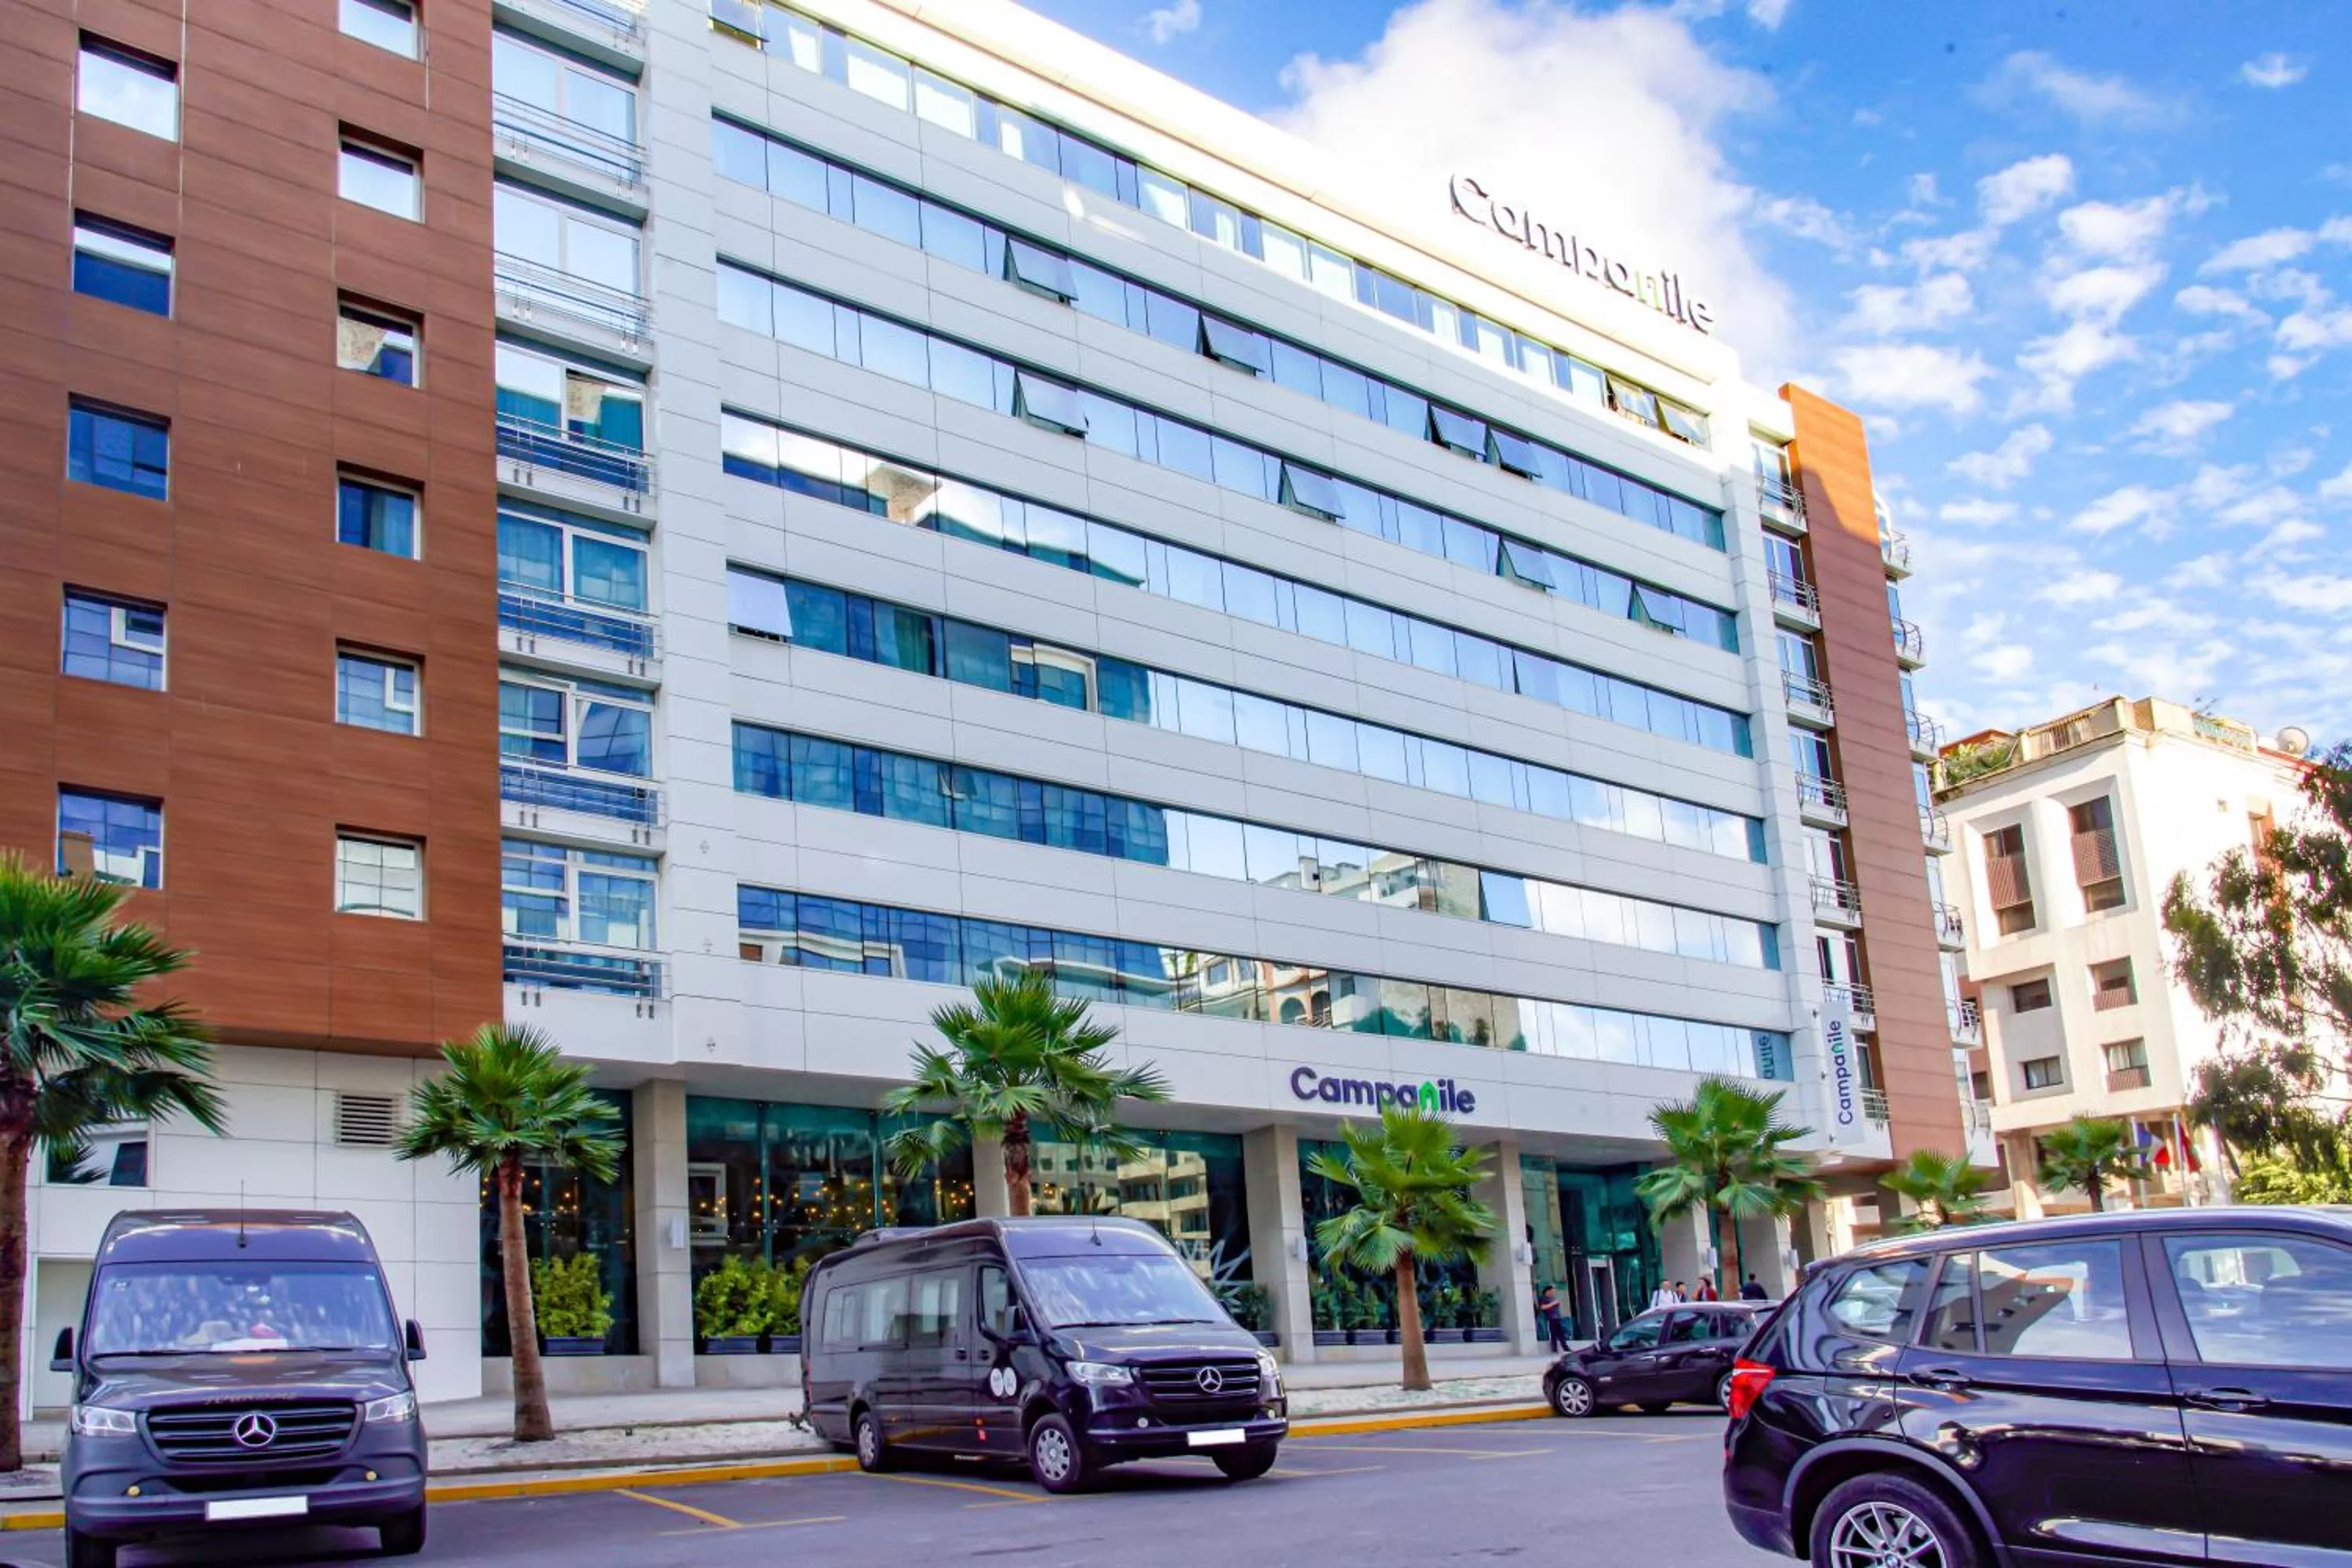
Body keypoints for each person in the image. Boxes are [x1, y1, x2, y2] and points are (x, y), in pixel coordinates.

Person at [1536, 1283, 1570, 1351]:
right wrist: (1553, 1303)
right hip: (1551, 1318)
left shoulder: (1552, 1298)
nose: (1553, 1293)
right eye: (1552, 1291)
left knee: (1561, 1333)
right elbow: (1542, 1307)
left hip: (1557, 1318)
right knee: (1554, 1333)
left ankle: (1565, 1347)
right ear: (1548, 1291)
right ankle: (1555, 1348)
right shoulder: (1543, 1298)